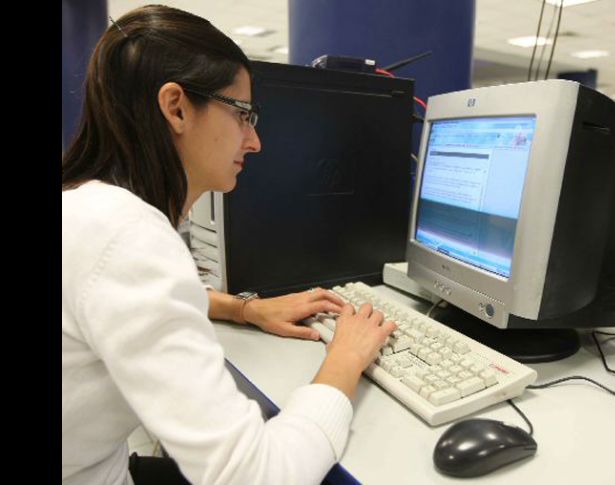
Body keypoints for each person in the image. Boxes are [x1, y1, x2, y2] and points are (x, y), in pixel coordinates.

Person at [61, 5, 397, 484]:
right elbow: (255, 475)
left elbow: (113, 300)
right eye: (243, 115)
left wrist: (244, 309)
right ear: (176, 107)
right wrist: (346, 358)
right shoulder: (126, 236)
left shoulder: (88, 209)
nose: (254, 141)